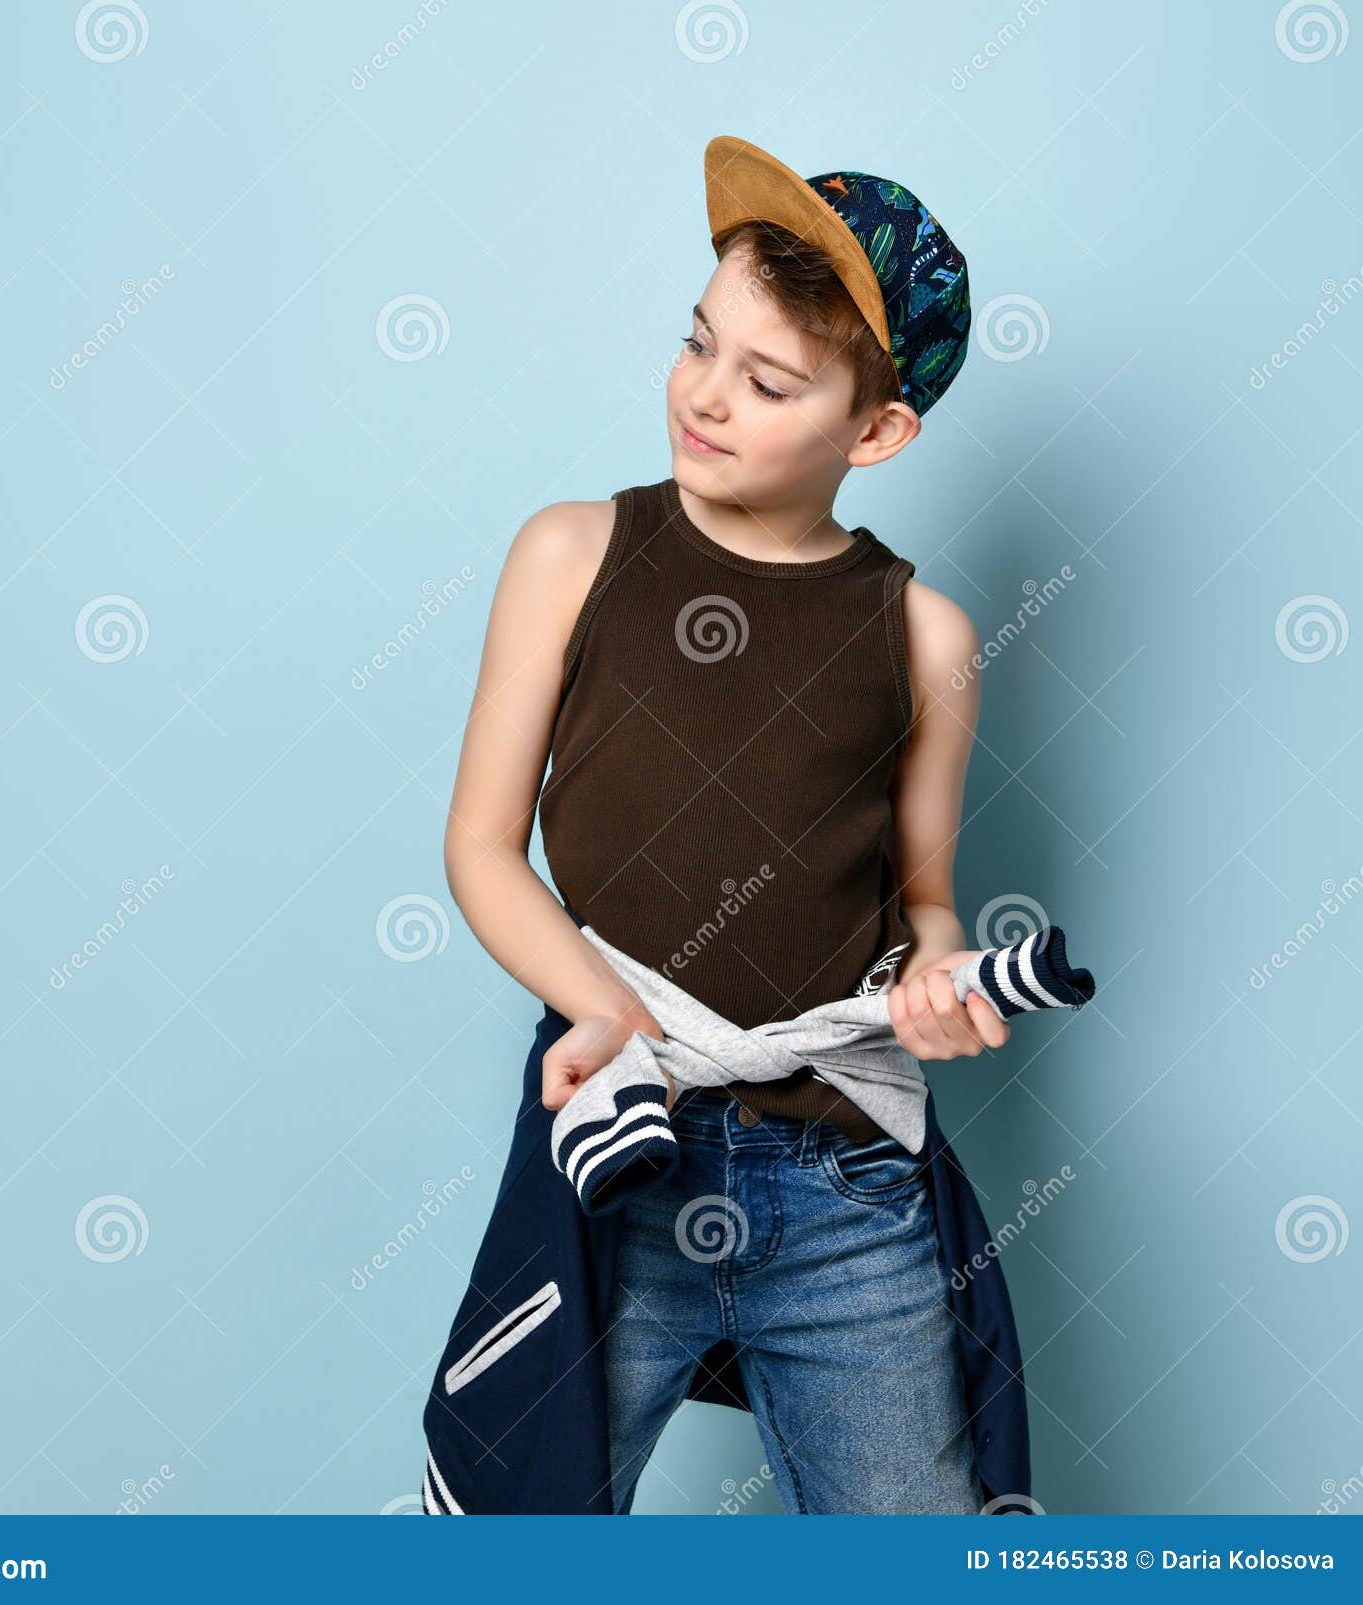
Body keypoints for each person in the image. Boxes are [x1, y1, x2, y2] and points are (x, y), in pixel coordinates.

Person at [434, 136, 1003, 1515]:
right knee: (528, 1527)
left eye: (768, 381)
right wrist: (604, 1018)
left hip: (846, 1185)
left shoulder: (925, 636)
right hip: (626, 1149)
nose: (706, 396)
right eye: (700, 345)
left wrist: (940, 971)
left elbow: (924, 892)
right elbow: (481, 850)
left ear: (875, 432)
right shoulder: (572, 555)